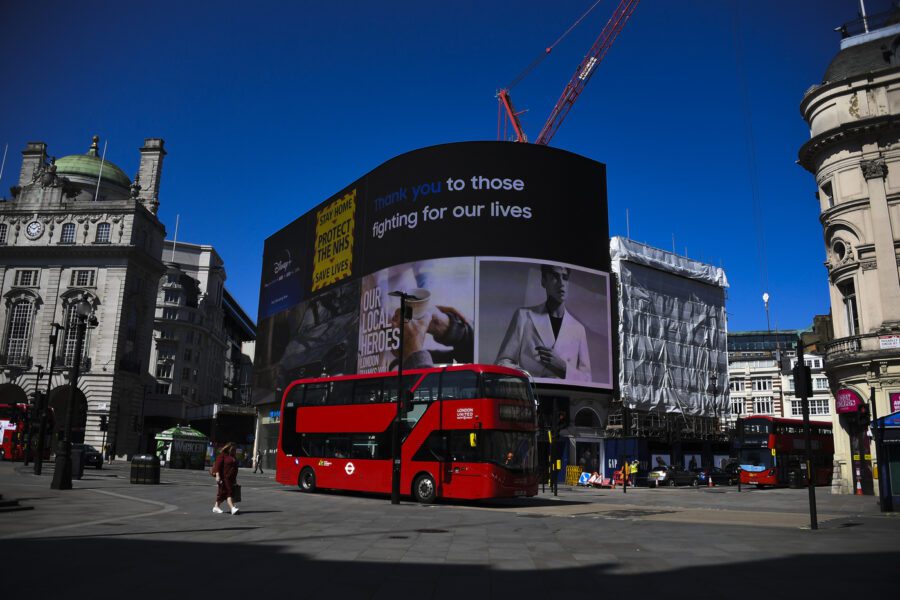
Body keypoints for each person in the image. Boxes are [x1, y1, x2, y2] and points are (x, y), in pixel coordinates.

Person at [495, 265, 591, 381]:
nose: (561, 283)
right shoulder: (524, 316)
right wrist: (528, 377)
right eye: (555, 277)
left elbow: (587, 379)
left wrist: (563, 368)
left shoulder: (578, 329)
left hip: (563, 398)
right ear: (543, 281)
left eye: (565, 277)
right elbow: (502, 362)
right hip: (531, 395)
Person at [213, 443, 240, 515]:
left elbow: (235, 468)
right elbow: (217, 466)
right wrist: (217, 476)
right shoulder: (223, 455)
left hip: (231, 478)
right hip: (224, 478)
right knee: (229, 492)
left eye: (235, 450)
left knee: (223, 493)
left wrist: (235, 480)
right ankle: (232, 508)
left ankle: (216, 507)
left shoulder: (233, 456)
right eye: (233, 449)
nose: (234, 451)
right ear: (229, 449)